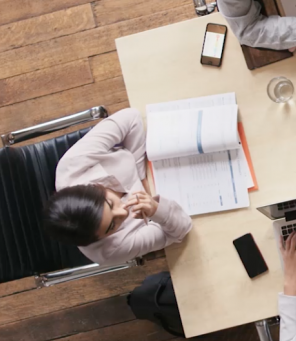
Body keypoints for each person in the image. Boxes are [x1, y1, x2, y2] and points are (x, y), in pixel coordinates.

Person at [44, 108, 192, 265]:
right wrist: (156, 210)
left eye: (110, 203)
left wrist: (142, 177)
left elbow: (131, 118)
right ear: (99, 238)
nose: (123, 212)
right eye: (112, 226)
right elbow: (180, 231)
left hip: (156, 160)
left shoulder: (71, 167)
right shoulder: (110, 251)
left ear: (95, 188)